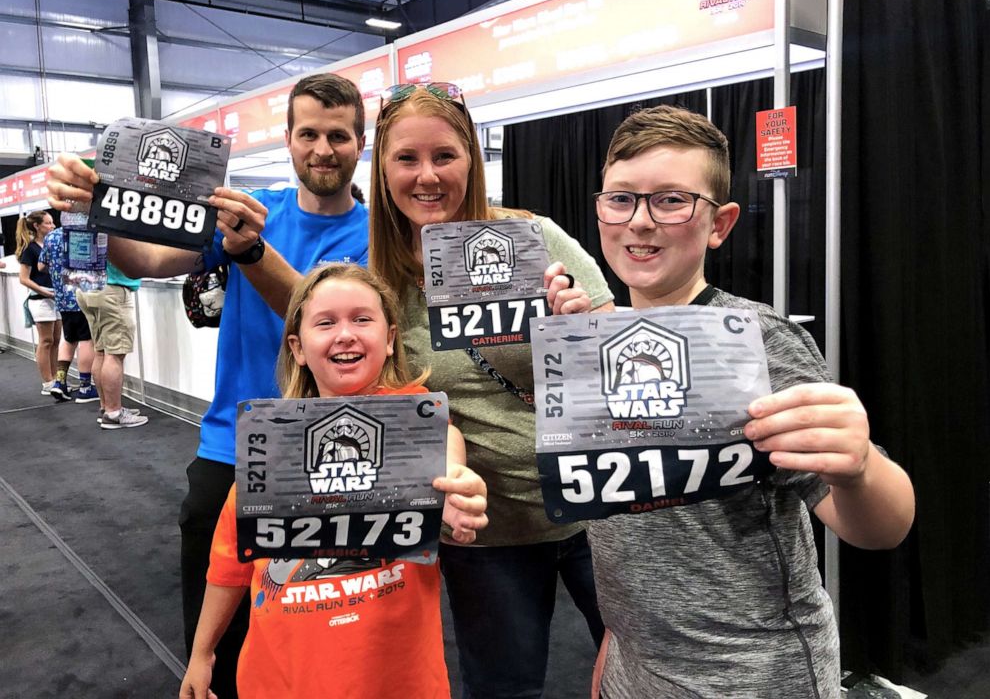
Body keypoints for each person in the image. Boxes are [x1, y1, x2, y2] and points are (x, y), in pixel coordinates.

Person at [47, 72, 370, 698]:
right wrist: (96, 213)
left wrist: (250, 253)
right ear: (288, 138)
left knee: (321, 630)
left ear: (360, 143)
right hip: (231, 446)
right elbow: (148, 262)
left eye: (338, 135)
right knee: (215, 641)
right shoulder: (259, 211)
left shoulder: (376, 234)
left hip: (331, 452)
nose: (322, 150)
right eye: (309, 134)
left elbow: (316, 319)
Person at [585, 105, 915, 699]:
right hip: (634, 671)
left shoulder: (758, 342)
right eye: (622, 199)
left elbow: (882, 527)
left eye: (670, 200)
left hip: (755, 676)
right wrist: (614, 656)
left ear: (720, 223)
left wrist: (862, 466)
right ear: (600, 211)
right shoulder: (596, 346)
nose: (640, 222)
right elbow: (625, 534)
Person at [369, 83, 614, 697]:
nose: (427, 176)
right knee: (506, 687)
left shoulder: (535, 238)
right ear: (382, 167)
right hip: (487, 533)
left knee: (649, 672)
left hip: (600, 509)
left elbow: (621, 354)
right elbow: (399, 415)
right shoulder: (378, 281)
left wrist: (579, 330)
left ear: (472, 160)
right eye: (407, 158)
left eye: (445, 156)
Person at [179, 263, 488, 699]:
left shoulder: (414, 420)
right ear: (298, 347)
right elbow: (229, 562)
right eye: (326, 322)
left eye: (362, 319)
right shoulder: (271, 442)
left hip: (396, 679)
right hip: (282, 678)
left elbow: (447, 442)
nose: (345, 334)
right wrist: (203, 652)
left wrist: (455, 483)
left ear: (391, 338)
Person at [75, 263, 147, 428]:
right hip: (111, 288)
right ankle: (114, 412)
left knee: (101, 351)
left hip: (86, 287)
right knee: (114, 353)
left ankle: (106, 407)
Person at [39, 225, 99, 402]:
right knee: (86, 340)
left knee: (69, 338)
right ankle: (86, 387)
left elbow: (41, 265)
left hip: (62, 298)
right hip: (81, 296)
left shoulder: (51, 236)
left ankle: (60, 382)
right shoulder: (85, 233)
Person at [15, 210, 61, 394]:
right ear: (37, 226)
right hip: (41, 299)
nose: (53, 226)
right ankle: (47, 382)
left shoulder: (51, 246)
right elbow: (24, 278)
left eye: (52, 223)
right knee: (46, 341)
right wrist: (45, 292)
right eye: (48, 223)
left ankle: (57, 379)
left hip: (56, 297)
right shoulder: (30, 250)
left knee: (56, 340)